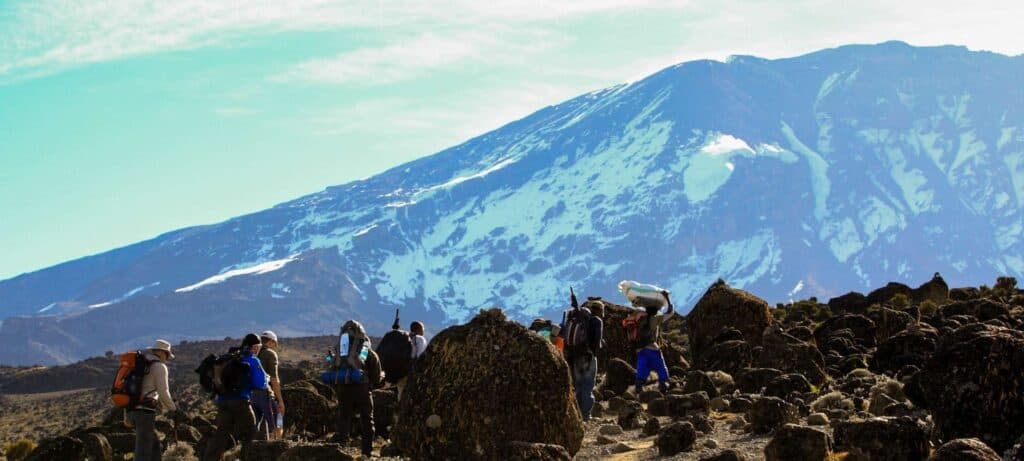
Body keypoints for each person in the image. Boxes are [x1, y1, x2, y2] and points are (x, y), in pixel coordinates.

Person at [202, 334, 269, 461]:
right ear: (254, 347)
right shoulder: (253, 360)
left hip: (222, 401)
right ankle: (246, 457)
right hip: (240, 401)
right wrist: (266, 380)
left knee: (221, 435)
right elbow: (260, 383)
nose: (258, 349)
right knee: (251, 432)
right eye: (258, 347)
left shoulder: (230, 358)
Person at [127, 339, 178, 461]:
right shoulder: (159, 366)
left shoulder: (139, 364)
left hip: (132, 409)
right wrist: (174, 408)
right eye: (167, 355)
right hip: (145, 412)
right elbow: (163, 392)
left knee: (154, 446)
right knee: (143, 452)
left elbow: (129, 388)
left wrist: (126, 414)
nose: (167, 358)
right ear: (162, 352)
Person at [331, 320, 376, 457]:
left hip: (343, 387)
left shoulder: (340, 349)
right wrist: (372, 383)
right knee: (367, 418)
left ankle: (341, 449)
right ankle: (366, 452)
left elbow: (333, 366)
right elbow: (375, 369)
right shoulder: (364, 348)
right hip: (362, 388)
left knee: (344, 418)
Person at [560, 288, 603, 420]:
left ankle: (577, 414)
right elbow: (597, 342)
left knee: (578, 385)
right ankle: (586, 414)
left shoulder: (575, 319)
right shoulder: (596, 321)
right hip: (588, 356)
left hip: (574, 356)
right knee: (588, 385)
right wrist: (594, 352)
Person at [634, 290, 675, 394]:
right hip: (652, 348)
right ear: (656, 310)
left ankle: (638, 392)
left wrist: (637, 301)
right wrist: (667, 299)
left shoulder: (639, 319)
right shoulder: (656, 318)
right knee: (661, 368)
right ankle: (663, 388)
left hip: (640, 350)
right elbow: (670, 312)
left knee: (642, 371)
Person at [254, 330, 285, 440]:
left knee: (254, 425)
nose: (274, 347)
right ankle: (278, 445)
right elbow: (274, 379)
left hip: (249, 396)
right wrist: (280, 400)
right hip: (264, 394)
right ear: (271, 342)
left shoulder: (253, 354)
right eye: (275, 344)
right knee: (279, 419)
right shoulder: (270, 354)